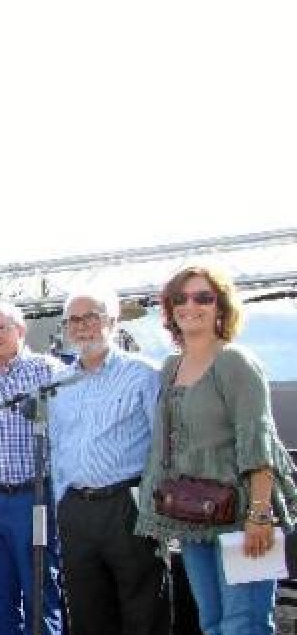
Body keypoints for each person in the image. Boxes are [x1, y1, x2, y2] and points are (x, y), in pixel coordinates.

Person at [137, 265, 297, 635]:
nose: (190, 305)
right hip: (195, 519)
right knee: (211, 624)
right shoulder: (170, 367)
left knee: (245, 624)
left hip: (243, 518)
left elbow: (258, 440)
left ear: (221, 308)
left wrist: (259, 516)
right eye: (180, 298)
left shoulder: (235, 362)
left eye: (203, 297)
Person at [48, 288, 171, 635]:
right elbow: (57, 446)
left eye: (92, 317)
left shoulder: (144, 374)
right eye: (73, 320)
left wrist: (151, 504)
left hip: (127, 505)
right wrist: (62, 501)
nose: (82, 327)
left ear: (113, 322)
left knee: (143, 610)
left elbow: (162, 445)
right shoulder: (60, 383)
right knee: (87, 611)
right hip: (76, 509)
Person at [0, 302, 65, 635]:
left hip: (34, 496)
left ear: (21, 331)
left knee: (39, 590)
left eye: (1, 328)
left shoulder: (48, 371)